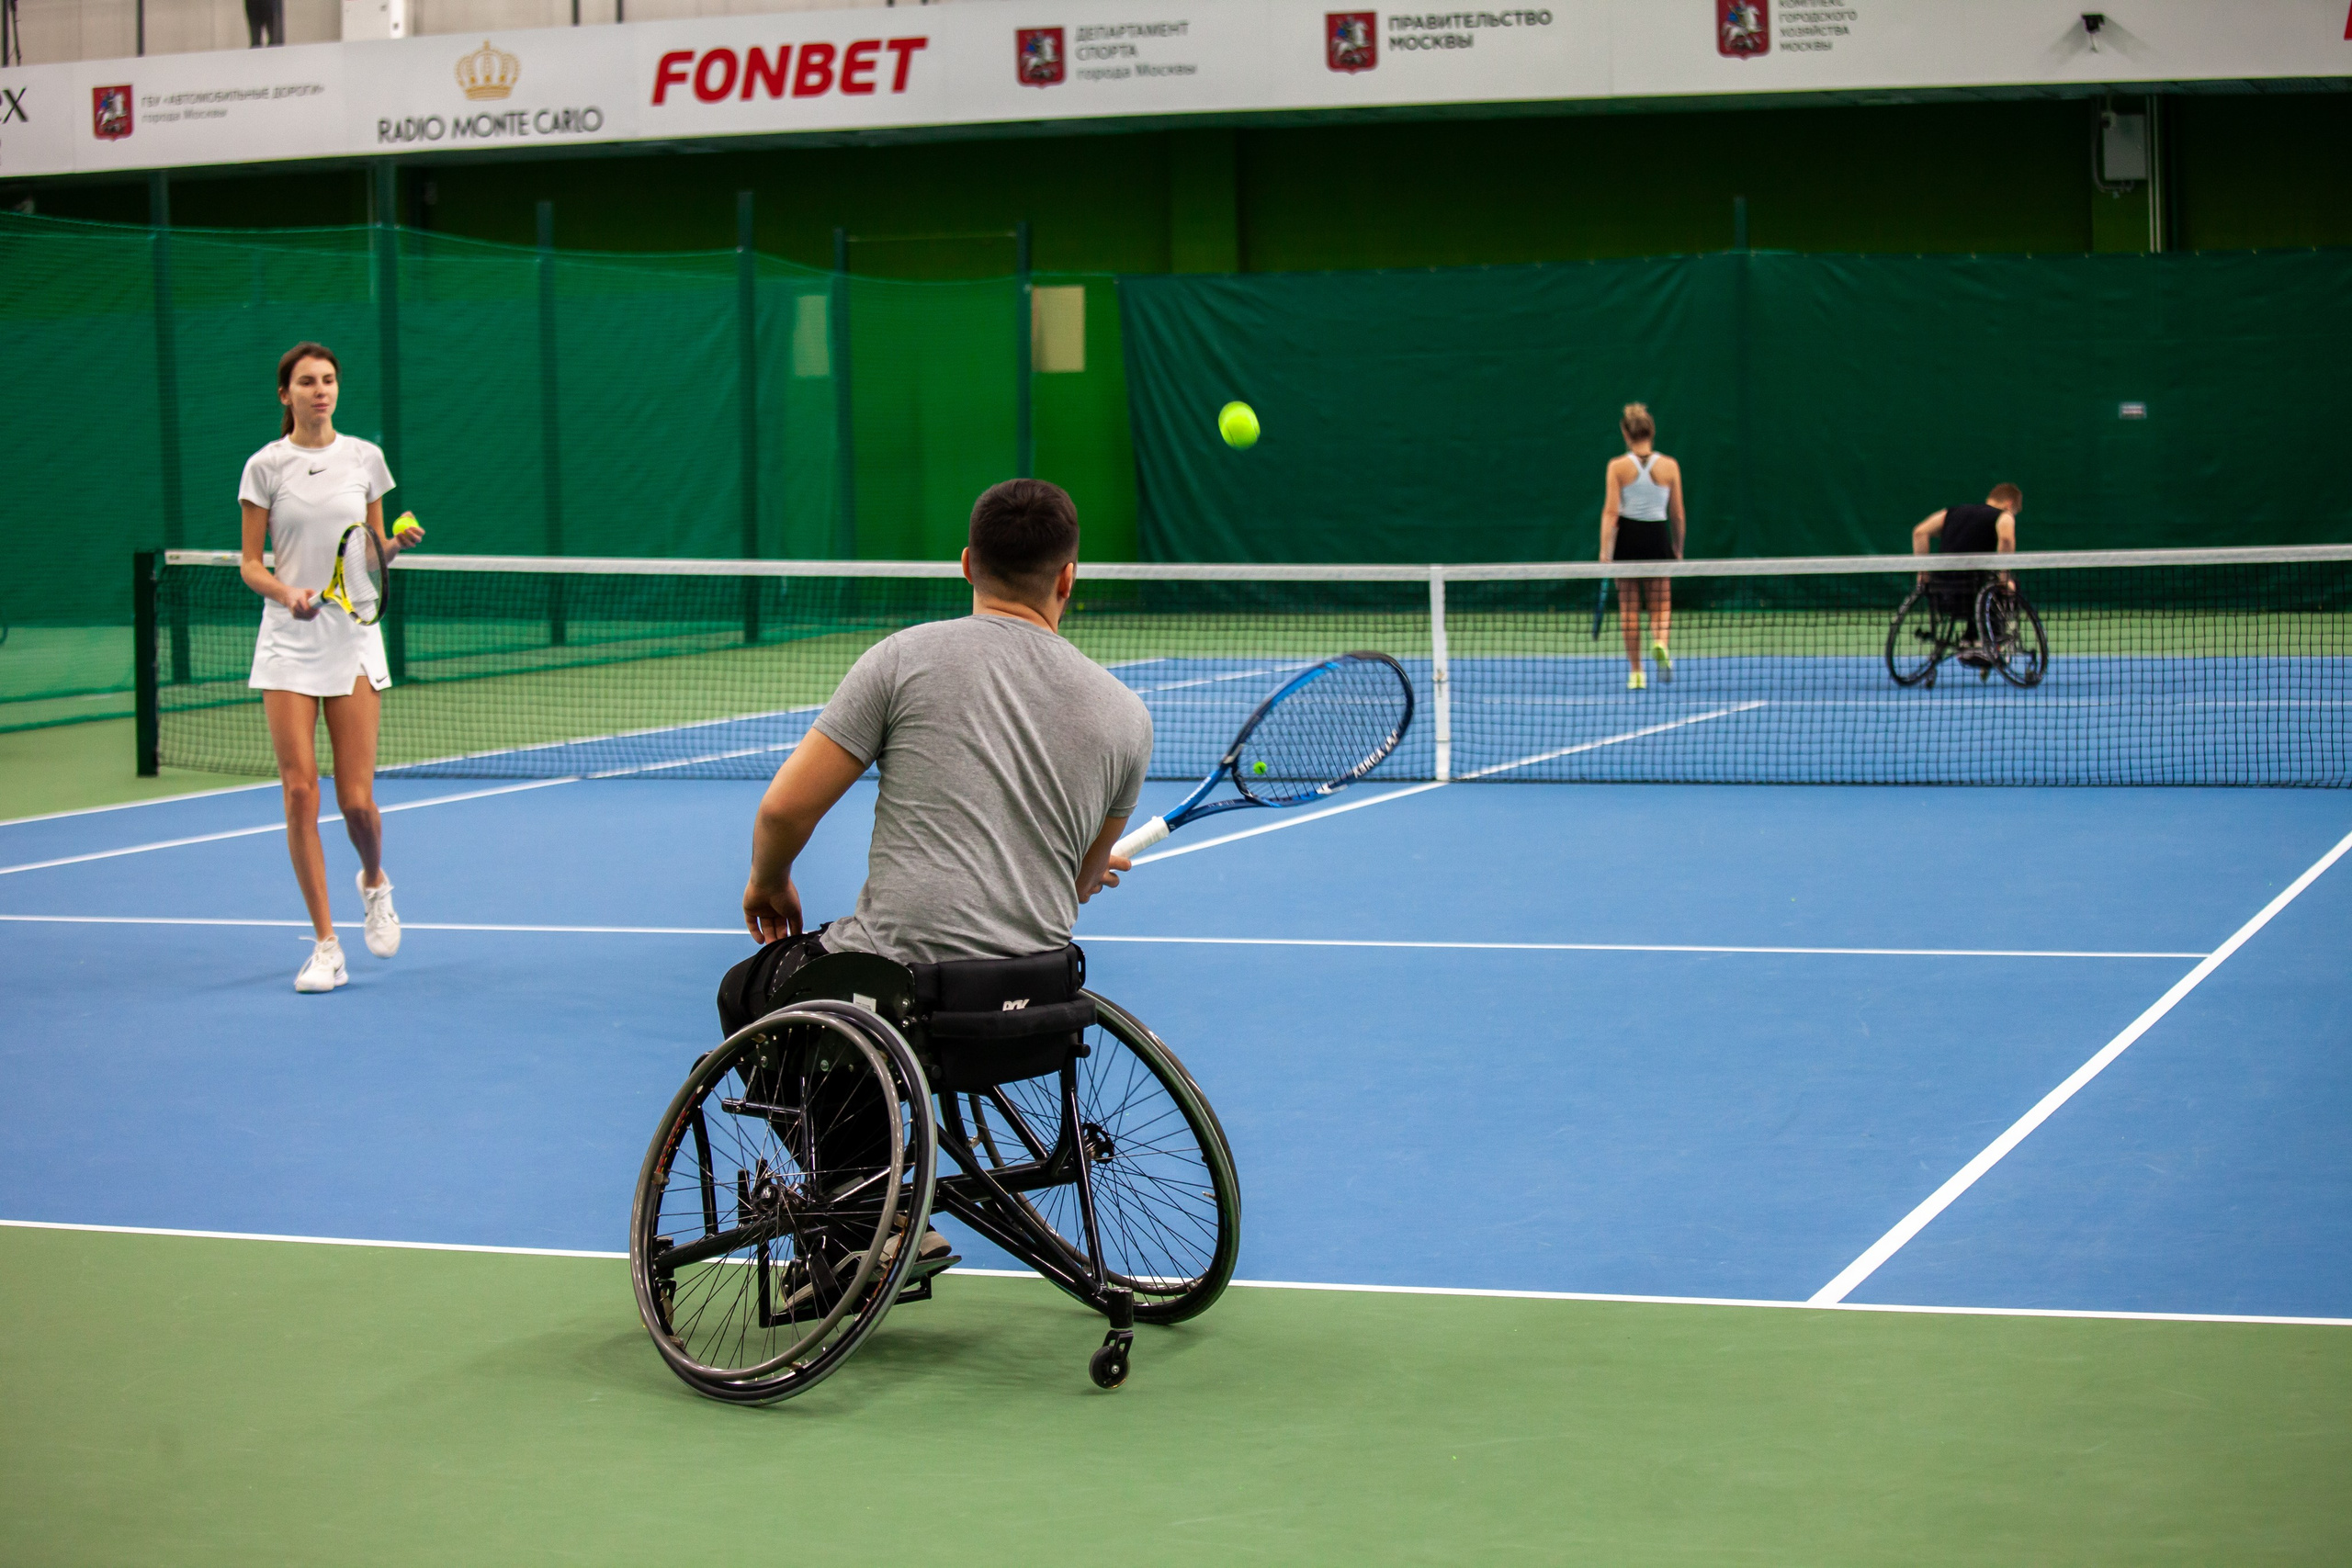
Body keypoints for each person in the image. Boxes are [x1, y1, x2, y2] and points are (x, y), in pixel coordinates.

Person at [718, 477, 1153, 1282]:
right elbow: (1083, 878)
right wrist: (1084, 866)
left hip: (905, 993)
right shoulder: (1128, 716)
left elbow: (784, 810)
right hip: (1038, 1003)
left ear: (965, 564)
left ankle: (861, 1207)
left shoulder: (902, 659)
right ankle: (881, 1204)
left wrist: (767, 881)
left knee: (750, 989)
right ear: (1068, 577)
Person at [239, 342, 424, 993]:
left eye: (329, 380)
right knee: (298, 792)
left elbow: (368, 554)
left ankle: (374, 879)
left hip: (352, 635)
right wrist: (284, 591)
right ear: (284, 394)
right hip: (288, 641)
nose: (321, 390)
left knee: (357, 804)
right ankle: (326, 945)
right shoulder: (265, 466)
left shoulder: (363, 459)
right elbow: (251, 562)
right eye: (307, 382)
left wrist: (392, 547)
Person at [1600, 402, 1685, 691]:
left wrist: (1604, 551)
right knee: (1661, 606)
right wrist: (1678, 546)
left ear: (1626, 433)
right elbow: (1677, 514)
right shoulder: (1670, 466)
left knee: (1629, 610)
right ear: (1652, 431)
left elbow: (1611, 513)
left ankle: (1636, 672)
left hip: (1628, 540)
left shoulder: (1618, 467)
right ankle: (1660, 641)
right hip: (1656, 537)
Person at [1911, 483, 2021, 661]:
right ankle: (1988, 640)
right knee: (2005, 585)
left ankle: (1970, 638)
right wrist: (2004, 578)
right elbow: (2007, 539)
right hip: (1976, 593)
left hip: (1943, 594)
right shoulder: (2004, 516)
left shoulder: (1952, 513)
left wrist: (1923, 573)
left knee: (1979, 585)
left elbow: (1919, 532)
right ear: (2009, 504)